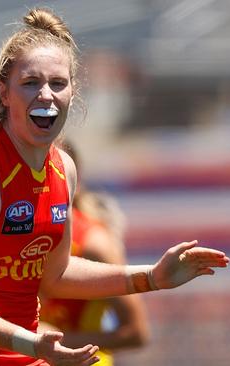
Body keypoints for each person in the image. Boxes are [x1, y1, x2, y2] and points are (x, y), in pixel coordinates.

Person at [0, 7, 229, 366]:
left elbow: (56, 276)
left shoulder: (64, 168)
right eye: (30, 83)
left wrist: (150, 277)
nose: (45, 94)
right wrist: (32, 344)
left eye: (57, 83)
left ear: (72, 93)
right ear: (4, 92)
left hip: (24, 350)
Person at [38, 144, 149, 366]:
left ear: (73, 183)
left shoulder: (93, 243)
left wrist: (49, 340)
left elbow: (136, 333)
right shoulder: (18, 229)